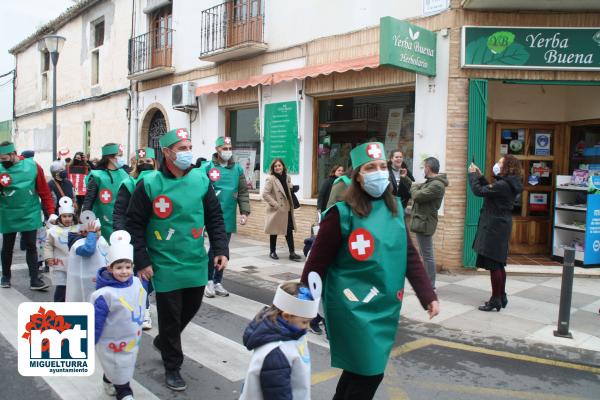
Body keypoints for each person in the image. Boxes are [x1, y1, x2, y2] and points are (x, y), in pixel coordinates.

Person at [301, 142, 439, 400]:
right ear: (358, 176)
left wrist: (427, 294)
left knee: (358, 372)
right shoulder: (341, 213)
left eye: (382, 166)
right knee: (370, 373)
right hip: (351, 308)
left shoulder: (395, 209)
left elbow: (409, 255)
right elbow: (316, 264)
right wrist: (301, 304)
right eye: (370, 167)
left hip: (384, 307)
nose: (379, 172)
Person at [125, 128, 229, 391]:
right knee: (170, 315)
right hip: (163, 260)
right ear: (168, 152)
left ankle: (165, 340)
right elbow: (134, 223)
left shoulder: (201, 180)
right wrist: (141, 259)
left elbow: (214, 217)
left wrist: (220, 248)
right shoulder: (149, 183)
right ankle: (173, 365)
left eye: (189, 147)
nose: (187, 153)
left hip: (194, 258)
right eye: (182, 148)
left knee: (191, 306)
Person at [239, 274, 321, 400]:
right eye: (305, 322)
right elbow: (277, 393)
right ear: (286, 316)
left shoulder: (295, 332)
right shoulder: (276, 353)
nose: (308, 327)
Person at [91, 230, 146, 400]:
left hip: (130, 338)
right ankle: (124, 392)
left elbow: (141, 298)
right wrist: (89, 341)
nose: (124, 272)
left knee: (121, 365)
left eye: (128, 267)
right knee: (118, 365)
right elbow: (96, 322)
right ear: (110, 268)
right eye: (119, 267)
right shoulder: (104, 295)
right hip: (111, 342)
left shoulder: (136, 282)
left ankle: (109, 380)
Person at [468, 155, 522, 312]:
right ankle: (501, 295)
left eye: (500, 162)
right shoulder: (508, 183)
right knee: (498, 263)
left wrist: (472, 175)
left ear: (508, 166)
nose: (496, 164)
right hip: (500, 224)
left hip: (495, 227)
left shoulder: (504, 184)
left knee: (494, 265)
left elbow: (479, 191)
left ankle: (495, 299)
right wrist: (480, 176)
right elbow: (491, 190)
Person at [113, 147, 158, 330]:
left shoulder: (161, 182)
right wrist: (121, 235)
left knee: (153, 277)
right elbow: (119, 212)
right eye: (141, 162)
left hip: (158, 237)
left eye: (149, 161)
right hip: (135, 237)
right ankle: (144, 310)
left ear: (155, 163)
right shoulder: (128, 184)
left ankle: (142, 302)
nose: (145, 164)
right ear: (135, 164)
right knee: (142, 274)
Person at [0, 141, 53, 290]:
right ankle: (5, 276)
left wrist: (51, 213)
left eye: (4, 159)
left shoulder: (33, 166)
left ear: (13, 154)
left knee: (31, 246)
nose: (2, 162)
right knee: (7, 247)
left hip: (29, 212)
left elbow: (44, 191)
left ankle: (35, 280)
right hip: (8, 213)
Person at [202, 137, 250, 298]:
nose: (228, 151)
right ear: (217, 149)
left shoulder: (237, 169)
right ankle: (208, 281)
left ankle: (217, 281)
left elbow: (243, 192)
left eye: (230, 148)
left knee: (224, 249)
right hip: (211, 215)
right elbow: (200, 190)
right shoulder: (208, 167)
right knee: (213, 250)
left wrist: (244, 212)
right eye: (225, 148)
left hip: (228, 215)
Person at [409, 157, 448, 289]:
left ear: (428, 168)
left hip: (425, 222)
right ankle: (427, 282)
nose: (423, 169)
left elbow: (417, 196)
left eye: (424, 167)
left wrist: (414, 188)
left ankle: (430, 285)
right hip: (423, 221)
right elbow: (416, 188)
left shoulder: (436, 184)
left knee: (427, 255)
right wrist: (411, 183)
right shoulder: (431, 182)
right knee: (425, 254)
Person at [82, 143, 129, 241]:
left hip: (121, 223)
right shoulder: (96, 176)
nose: (122, 158)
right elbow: (88, 201)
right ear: (110, 158)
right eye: (119, 155)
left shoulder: (125, 174)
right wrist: (87, 223)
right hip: (101, 224)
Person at [262, 158, 301, 261]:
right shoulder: (271, 179)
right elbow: (265, 194)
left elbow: (287, 192)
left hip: (287, 208)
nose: (277, 167)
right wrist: (275, 204)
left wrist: (292, 187)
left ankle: (292, 253)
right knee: (274, 231)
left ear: (283, 166)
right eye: (275, 166)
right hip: (277, 209)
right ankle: (272, 251)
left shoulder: (287, 177)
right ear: (273, 168)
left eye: (279, 165)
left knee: (289, 231)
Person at [65, 215, 109, 302]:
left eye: (99, 230)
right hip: (82, 281)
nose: (98, 233)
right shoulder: (77, 243)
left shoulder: (101, 240)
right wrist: (92, 234)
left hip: (98, 280)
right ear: (84, 232)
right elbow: (88, 250)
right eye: (95, 231)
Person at [44, 197, 78, 302]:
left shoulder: (78, 229)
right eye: (64, 216)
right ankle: (58, 307)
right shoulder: (53, 231)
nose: (67, 219)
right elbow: (48, 245)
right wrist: (49, 257)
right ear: (60, 217)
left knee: (73, 288)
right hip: (59, 264)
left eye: (69, 216)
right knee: (61, 287)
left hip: (74, 264)